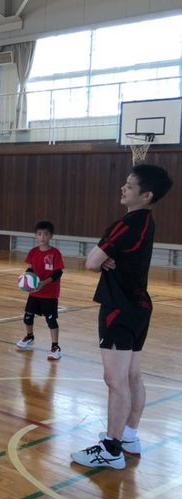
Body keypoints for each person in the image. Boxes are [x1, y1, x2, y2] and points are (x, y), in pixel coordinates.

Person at [71, 164, 173, 470]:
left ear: (146, 195)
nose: (122, 189)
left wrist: (102, 257)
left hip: (118, 307)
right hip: (139, 306)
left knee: (115, 380)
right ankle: (129, 436)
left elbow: (92, 262)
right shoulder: (147, 222)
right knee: (131, 376)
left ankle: (111, 449)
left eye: (129, 186)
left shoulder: (126, 224)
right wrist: (107, 257)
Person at [15, 220, 65, 360]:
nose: (42, 237)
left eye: (46, 234)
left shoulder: (55, 253)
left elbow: (58, 273)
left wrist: (44, 283)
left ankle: (55, 346)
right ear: (36, 236)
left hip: (50, 294)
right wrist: (26, 277)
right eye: (39, 234)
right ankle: (29, 337)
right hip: (35, 292)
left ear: (51, 236)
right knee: (27, 317)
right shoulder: (33, 252)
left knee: (51, 320)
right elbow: (31, 268)